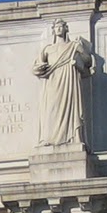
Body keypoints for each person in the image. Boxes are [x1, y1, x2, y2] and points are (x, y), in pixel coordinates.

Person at [30, 19, 93, 147]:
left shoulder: (74, 46)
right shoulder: (47, 49)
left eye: (61, 26)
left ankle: (72, 137)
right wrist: (40, 68)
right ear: (53, 30)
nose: (58, 29)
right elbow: (36, 67)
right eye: (56, 27)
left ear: (66, 29)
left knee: (71, 108)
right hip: (52, 82)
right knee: (51, 109)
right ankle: (48, 138)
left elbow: (87, 60)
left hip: (69, 80)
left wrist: (80, 53)